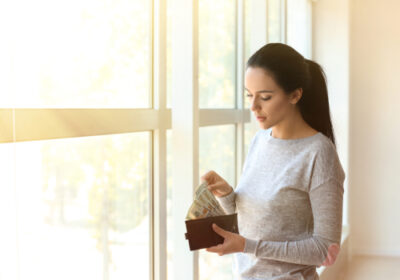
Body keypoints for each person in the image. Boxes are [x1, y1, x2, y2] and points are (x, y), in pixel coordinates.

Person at [200, 43, 345, 280]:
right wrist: (227, 195)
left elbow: (325, 251)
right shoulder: (260, 140)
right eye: (249, 95)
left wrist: (247, 246)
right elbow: (258, 222)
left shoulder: (319, 153)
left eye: (265, 97)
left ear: (295, 95)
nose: (253, 106)